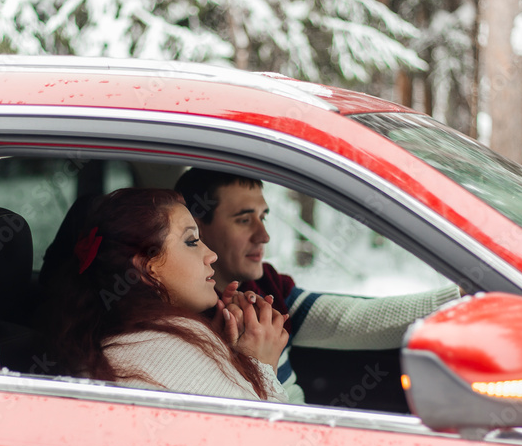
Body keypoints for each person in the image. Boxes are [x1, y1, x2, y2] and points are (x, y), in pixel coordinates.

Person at [174, 168, 462, 404]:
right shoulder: (178, 320)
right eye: (244, 220)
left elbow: (355, 320)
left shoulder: (264, 287)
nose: (263, 236)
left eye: (262, 218)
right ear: (196, 228)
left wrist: (460, 299)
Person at [41, 188, 289, 402]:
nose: (211, 255)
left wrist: (223, 350)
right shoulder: (163, 349)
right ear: (147, 268)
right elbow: (265, 440)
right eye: (191, 241)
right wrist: (261, 364)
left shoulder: (130, 339)